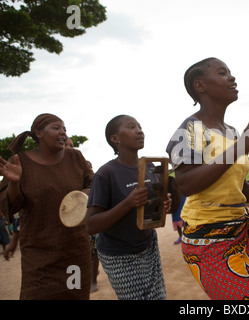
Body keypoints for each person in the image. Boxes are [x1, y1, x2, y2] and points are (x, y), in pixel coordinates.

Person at [166, 57, 249, 300]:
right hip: (208, 241)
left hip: (239, 233)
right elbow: (186, 183)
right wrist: (243, 145)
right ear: (200, 86)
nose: (232, 77)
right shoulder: (189, 129)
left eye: (230, 72)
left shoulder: (231, 132)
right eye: (222, 73)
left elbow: (238, 188)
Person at [0, 113, 93, 299]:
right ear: (39, 133)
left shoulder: (75, 157)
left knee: (75, 295)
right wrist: (15, 183)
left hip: (75, 252)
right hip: (40, 257)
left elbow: (94, 185)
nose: (63, 133)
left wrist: (85, 194)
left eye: (65, 129)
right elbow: (8, 207)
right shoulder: (20, 163)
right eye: (56, 128)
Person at [85, 115, 171, 300]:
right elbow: (91, 225)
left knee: (159, 297)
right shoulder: (106, 173)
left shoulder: (150, 167)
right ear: (115, 139)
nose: (139, 130)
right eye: (132, 127)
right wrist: (127, 203)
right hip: (119, 254)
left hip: (148, 246)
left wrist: (164, 205)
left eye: (139, 126)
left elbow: (155, 209)